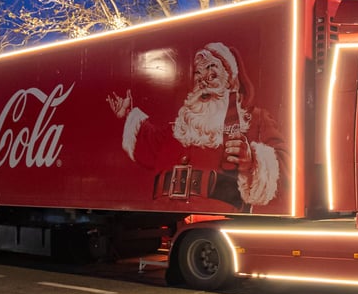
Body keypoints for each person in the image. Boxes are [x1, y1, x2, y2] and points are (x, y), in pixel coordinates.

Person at [108, 42, 288, 213]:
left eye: (212, 76)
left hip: (220, 216)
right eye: (198, 76)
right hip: (171, 214)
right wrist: (128, 114)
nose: (203, 83)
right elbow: (151, 144)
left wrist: (252, 160)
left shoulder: (255, 119)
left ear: (230, 81)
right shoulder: (183, 125)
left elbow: (286, 166)